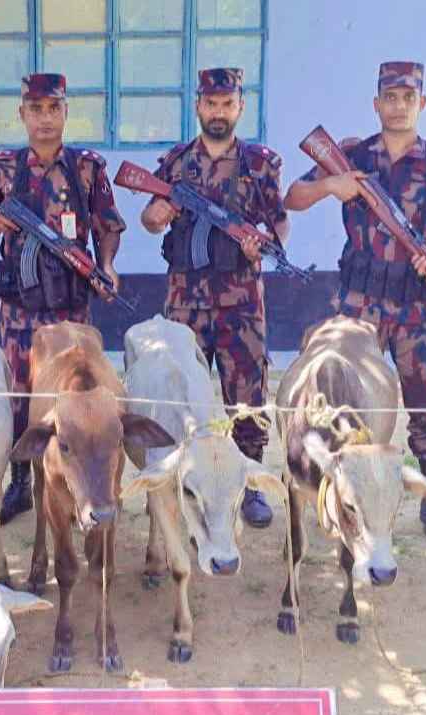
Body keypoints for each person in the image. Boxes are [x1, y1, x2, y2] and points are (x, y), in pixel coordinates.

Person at [284, 61, 426, 540]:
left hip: (419, 305)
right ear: (377, 103)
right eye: (390, 98)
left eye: (408, 98)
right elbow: (292, 197)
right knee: (341, 401)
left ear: (422, 104)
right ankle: (341, 489)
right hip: (359, 305)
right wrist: (333, 185)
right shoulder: (352, 155)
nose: (398, 106)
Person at [0, 73, 126, 525]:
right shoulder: (2, 169)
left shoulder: (87, 168)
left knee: (75, 397)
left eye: (54, 109)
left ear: (66, 111)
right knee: (19, 397)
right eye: (36, 109)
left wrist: (106, 266)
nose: (45, 119)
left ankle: (80, 475)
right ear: (23, 114)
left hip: (72, 311)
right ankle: (20, 483)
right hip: (19, 312)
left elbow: (109, 226)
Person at [139, 66, 289, 528]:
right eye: (211, 103)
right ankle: (188, 479)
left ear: (240, 107)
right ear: (199, 105)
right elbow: (147, 218)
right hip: (184, 305)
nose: (219, 111)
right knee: (183, 394)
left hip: (242, 303)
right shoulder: (175, 162)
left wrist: (263, 241)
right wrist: (157, 213)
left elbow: (278, 221)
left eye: (228, 103)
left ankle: (249, 485)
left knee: (247, 393)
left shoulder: (261, 163)